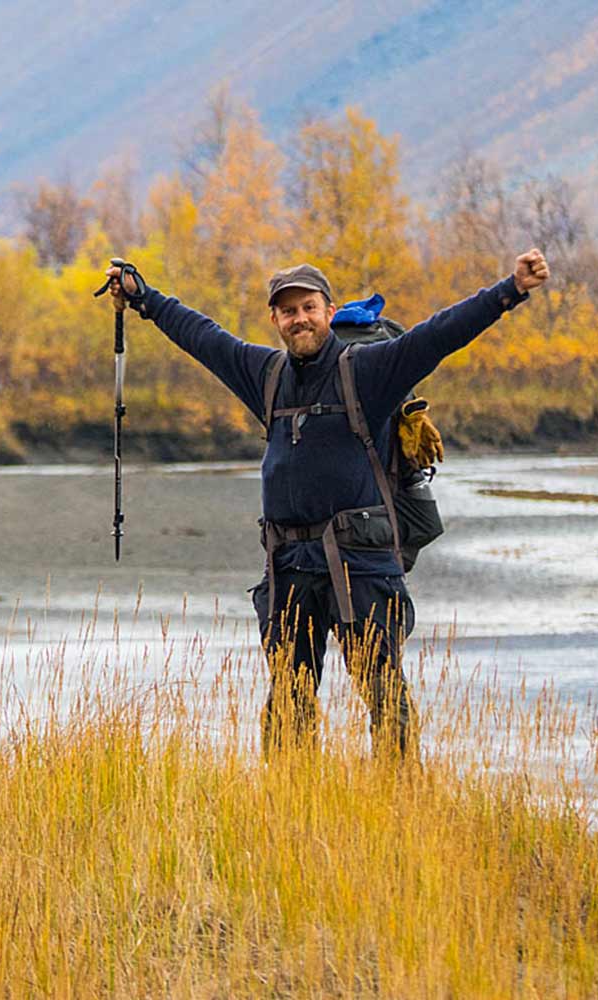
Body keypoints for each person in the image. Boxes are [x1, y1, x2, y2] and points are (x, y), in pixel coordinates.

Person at [105, 250, 550, 758]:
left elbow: (440, 334)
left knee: (383, 695)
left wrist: (509, 290)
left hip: (360, 564)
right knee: (288, 702)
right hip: (289, 566)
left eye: (309, 308)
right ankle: (289, 803)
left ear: (329, 310)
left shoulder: (368, 371)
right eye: (288, 311)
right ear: (275, 319)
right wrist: (145, 299)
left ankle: (397, 796)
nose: (300, 319)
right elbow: (204, 338)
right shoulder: (266, 375)